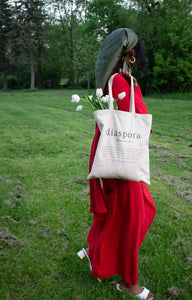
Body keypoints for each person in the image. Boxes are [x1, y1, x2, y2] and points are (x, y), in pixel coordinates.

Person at [77, 28, 156, 300]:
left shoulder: (111, 81)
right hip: (124, 163)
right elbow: (142, 118)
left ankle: (93, 251)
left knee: (118, 213)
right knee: (135, 215)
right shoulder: (121, 83)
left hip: (111, 158)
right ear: (130, 54)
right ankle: (129, 283)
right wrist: (133, 86)